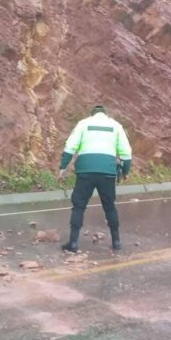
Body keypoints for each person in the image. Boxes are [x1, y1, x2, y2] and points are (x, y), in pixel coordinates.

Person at [58, 104, 132, 252]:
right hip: (107, 171)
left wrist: (63, 166)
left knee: (79, 206)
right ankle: (116, 242)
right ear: (105, 114)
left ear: (92, 114)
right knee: (109, 206)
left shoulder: (83, 124)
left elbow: (70, 146)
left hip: (85, 170)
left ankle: (73, 243)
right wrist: (125, 171)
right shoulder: (115, 125)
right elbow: (125, 151)